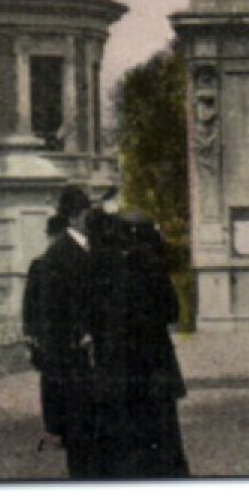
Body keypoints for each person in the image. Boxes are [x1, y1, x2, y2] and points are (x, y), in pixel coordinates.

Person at [91, 213, 190, 477]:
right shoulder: (151, 264)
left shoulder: (104, 265)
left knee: (127, 426)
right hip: (154, 358)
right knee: (161, 425)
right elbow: (171, 310)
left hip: (120, 361)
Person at [43, 184, 106, 478]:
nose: (89, 220)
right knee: (79, 422)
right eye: (84, 214)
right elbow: (56, 309)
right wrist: (80, 332)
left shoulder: (93, 248)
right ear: (73, 218)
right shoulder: (58, 254)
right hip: (73, 349)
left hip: (92, 349)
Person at [24, 214, 67, 443]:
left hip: (48, 333)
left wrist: (30, 333)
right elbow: (30, 302)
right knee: (55, 380)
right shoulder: (41, 264)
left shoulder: (39, 264)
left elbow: (28, 304)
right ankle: (56, 427)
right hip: (52, 333)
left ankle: (55, 427)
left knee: (51, 381)